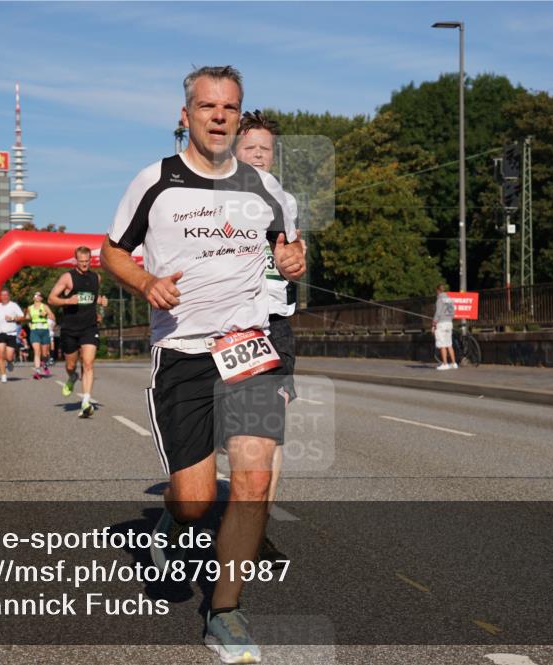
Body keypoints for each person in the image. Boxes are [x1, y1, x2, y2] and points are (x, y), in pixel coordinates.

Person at [100, 65, 304, 663]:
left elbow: (288, 246)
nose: (219, 116)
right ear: (185, 115)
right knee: (192, 501)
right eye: (207, 106)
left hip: (248, 347)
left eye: (229, 107)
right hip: (184, 353)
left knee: (254, 478)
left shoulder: (264, 188)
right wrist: (145, 281)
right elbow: (111, 252)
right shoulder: (155, 182)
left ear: (239, 116)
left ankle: (225, 610)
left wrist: (293, 261)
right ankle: (171, 523)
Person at [234, 109, 303, 569]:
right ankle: (186, 515)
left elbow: (294, 252)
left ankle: (257, 532)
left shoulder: (286, 200)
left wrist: (293, 260)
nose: (258, 154)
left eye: (265, 149)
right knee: (214, 443)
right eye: (249, 147)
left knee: (268, 439)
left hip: (274, 325)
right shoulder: (212, 196)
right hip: (228, 326)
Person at [48, 246, 109, 418]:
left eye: (86, 261)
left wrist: (101, 301)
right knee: (70, 365)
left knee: (88, 363)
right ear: (76, 260)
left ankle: (86, 401)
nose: (84, 264)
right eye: (81, 262)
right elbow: (51, 298)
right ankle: (72, 377)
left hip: (89, 327)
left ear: (91, 260)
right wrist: (68, 300)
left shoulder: (96, 277)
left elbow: (91, 298)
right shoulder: (68, 277)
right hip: (70, 328)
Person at [0, 288, 24, 383]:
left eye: (6, 295)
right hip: (0, 333)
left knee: (9, 356)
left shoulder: (14, 305)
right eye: (2, 295)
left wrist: (13, 318)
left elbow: (22, 317)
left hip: (11, 333)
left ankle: (9, 362)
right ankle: (3, 375)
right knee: (0, 354)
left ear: (9, 296)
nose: (4, 297)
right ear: (0, 297)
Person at [27, 292, 55, 379]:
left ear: (41, 298)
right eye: (35, 295)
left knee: (45, 354)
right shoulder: (30, 308)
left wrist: (47, 314)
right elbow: (27, 318)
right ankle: (37, 372)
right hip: (35, 331)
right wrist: (29, 325)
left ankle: (44, 364)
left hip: (44, 330)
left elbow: (52, 316)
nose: (37, 296)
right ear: (33, 298)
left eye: (39, 295)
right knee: (37, 352)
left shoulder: (45, 306)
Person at [433, 284, 458, 370]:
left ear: (438, 290)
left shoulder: (440, 299)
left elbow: (438, 313)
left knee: (442, 344)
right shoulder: (450, 299)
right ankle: (454, 363)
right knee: (449, 344)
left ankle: (445, 364)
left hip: (441, 324)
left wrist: (434, 323)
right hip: (449, 323)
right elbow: (453, 313)